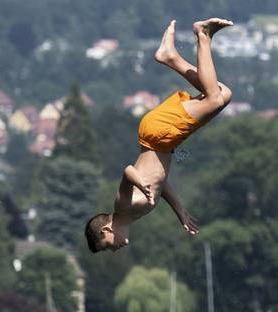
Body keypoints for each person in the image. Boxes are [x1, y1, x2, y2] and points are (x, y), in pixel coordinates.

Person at [84, 18, 233, 253]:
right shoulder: (135, 214)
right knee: (221, 94)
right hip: (162, 138)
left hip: (159, 136)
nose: (115, 249)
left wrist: (141, 185)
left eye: (108, 247)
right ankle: (170, 57)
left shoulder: (124, 206)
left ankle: (203, 35)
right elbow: (161, 186)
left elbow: (127, 172)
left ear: (106, 231)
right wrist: (180, 212)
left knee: (214, 98)